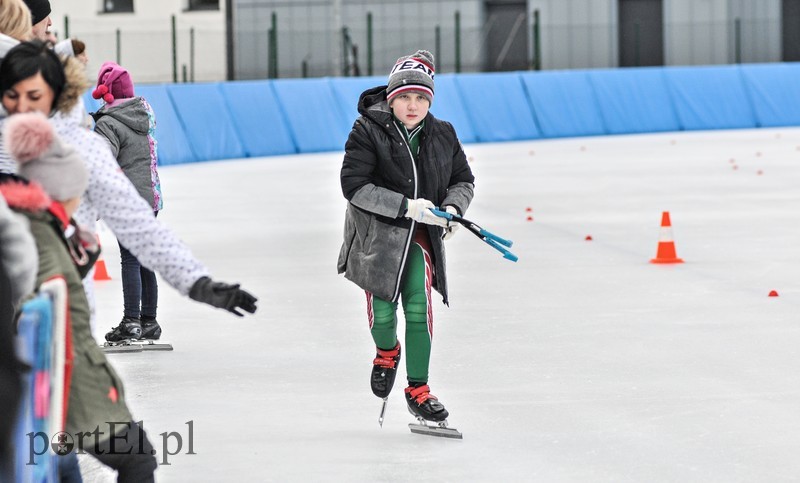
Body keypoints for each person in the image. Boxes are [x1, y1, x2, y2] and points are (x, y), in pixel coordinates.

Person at [0, 40, 258, 324]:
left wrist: (196, 281)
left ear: (56, 95)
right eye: (12, 95)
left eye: (34, 96)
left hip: (59, 323)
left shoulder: (80, 150)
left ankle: (139, 319)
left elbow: (139, 225)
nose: (21, 107)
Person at [2, 110, 158, 480]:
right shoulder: (36, 235)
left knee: (64, 463)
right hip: (57, 381)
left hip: (55, 384)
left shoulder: (50, 230)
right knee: (133, 458)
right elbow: (34, 307)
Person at [338, 50, 475, 423]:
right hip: (377, 236)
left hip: (418, 238)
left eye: (420, 97)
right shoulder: (366, 130)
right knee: (383, 316)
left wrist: (453, 209)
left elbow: (463, 180)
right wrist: (406, 206)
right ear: (391, 97)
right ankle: (386, 352)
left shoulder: (442, 133)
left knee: (418, 307)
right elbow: (353, 185)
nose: (412, 105)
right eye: (404, 97)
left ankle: (419, 389)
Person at [91, 61, 164, 342]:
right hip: (151, 197)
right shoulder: (146, 116)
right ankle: (149, 321)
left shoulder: (109, 123)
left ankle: (131, 320)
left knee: (130, 259)